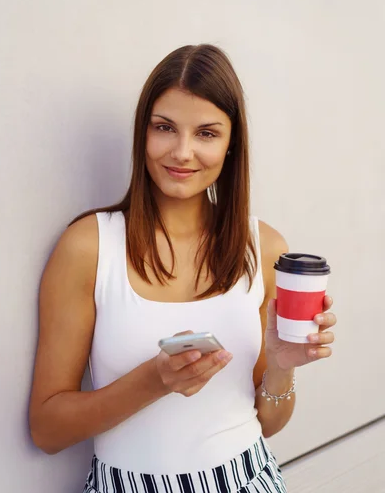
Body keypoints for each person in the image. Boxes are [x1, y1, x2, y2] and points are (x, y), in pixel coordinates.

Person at [29, 44, 336, 493]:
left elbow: (268, 422)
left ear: (232, 145)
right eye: (165, 128)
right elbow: (47, 430)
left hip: (248, 479)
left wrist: (282, 366)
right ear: (143, 133)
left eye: (207, 133)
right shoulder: (89, 247)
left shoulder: (263, 247)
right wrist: (154, 380)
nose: (182, 151)